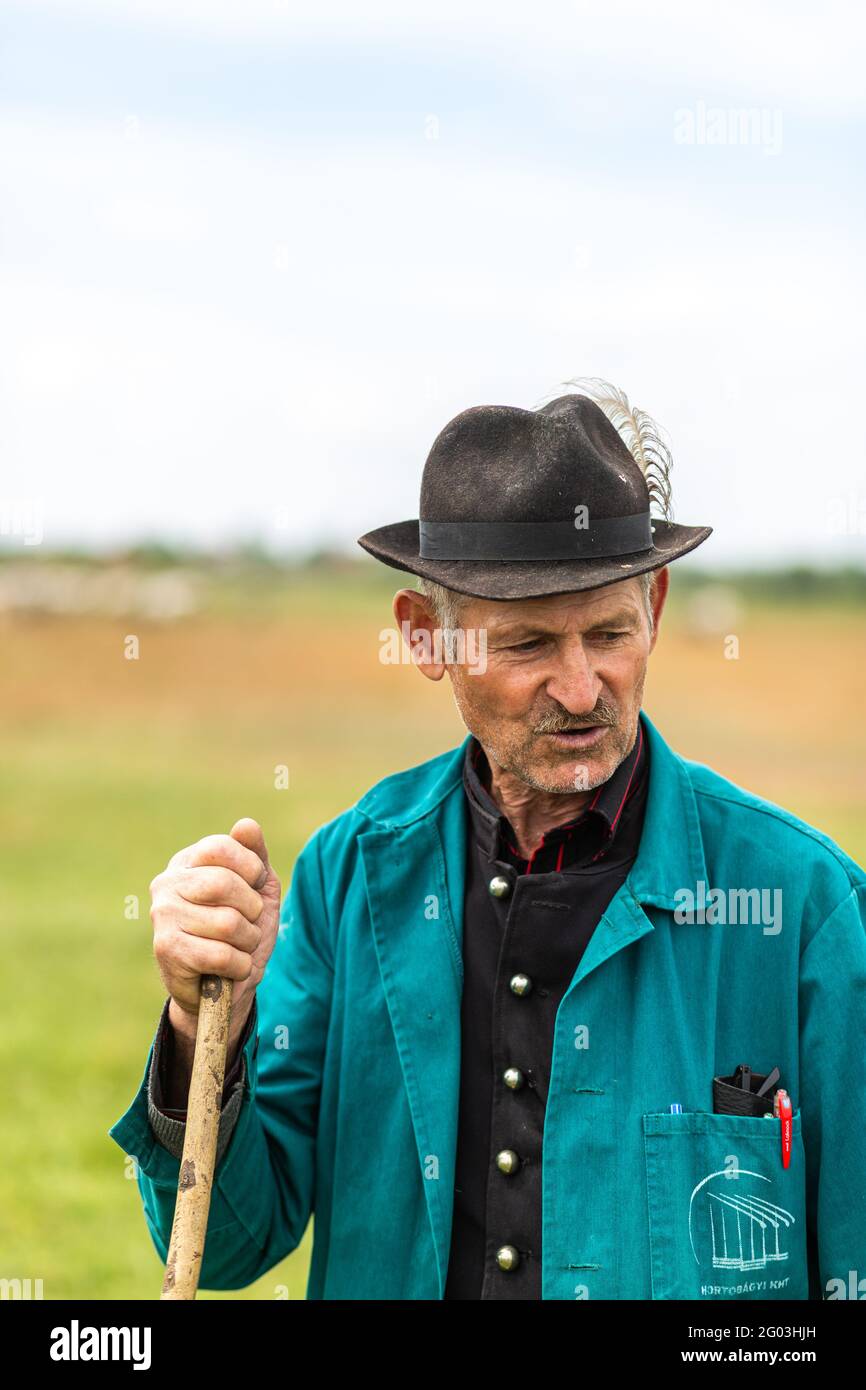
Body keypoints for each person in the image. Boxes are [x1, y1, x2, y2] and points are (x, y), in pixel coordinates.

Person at [109, 383, 866, 1300]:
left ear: (657, 607)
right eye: (528, 645)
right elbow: (228, 1247)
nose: (583, 688)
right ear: (426, 637)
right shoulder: (347, 879)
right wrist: (198, 1028)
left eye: (610, 632)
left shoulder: (806, 905)